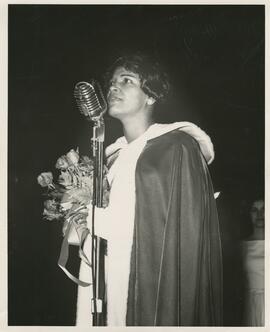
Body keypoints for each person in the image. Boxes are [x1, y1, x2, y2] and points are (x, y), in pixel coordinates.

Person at [75, 53, 223, 326]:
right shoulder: (113, 156)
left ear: (151, 96)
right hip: (110, 280)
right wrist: (80, 226)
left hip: (150, 283)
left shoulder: (175, 147)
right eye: (112, 82)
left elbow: (176, 230)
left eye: (127, 80)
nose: (113, 87)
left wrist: (96, 219)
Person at [241, 198, 264, 326]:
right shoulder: (243, 245)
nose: (260, 215)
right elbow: (243, 282)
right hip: (253, 304)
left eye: (264, 209)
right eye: (254, 210)